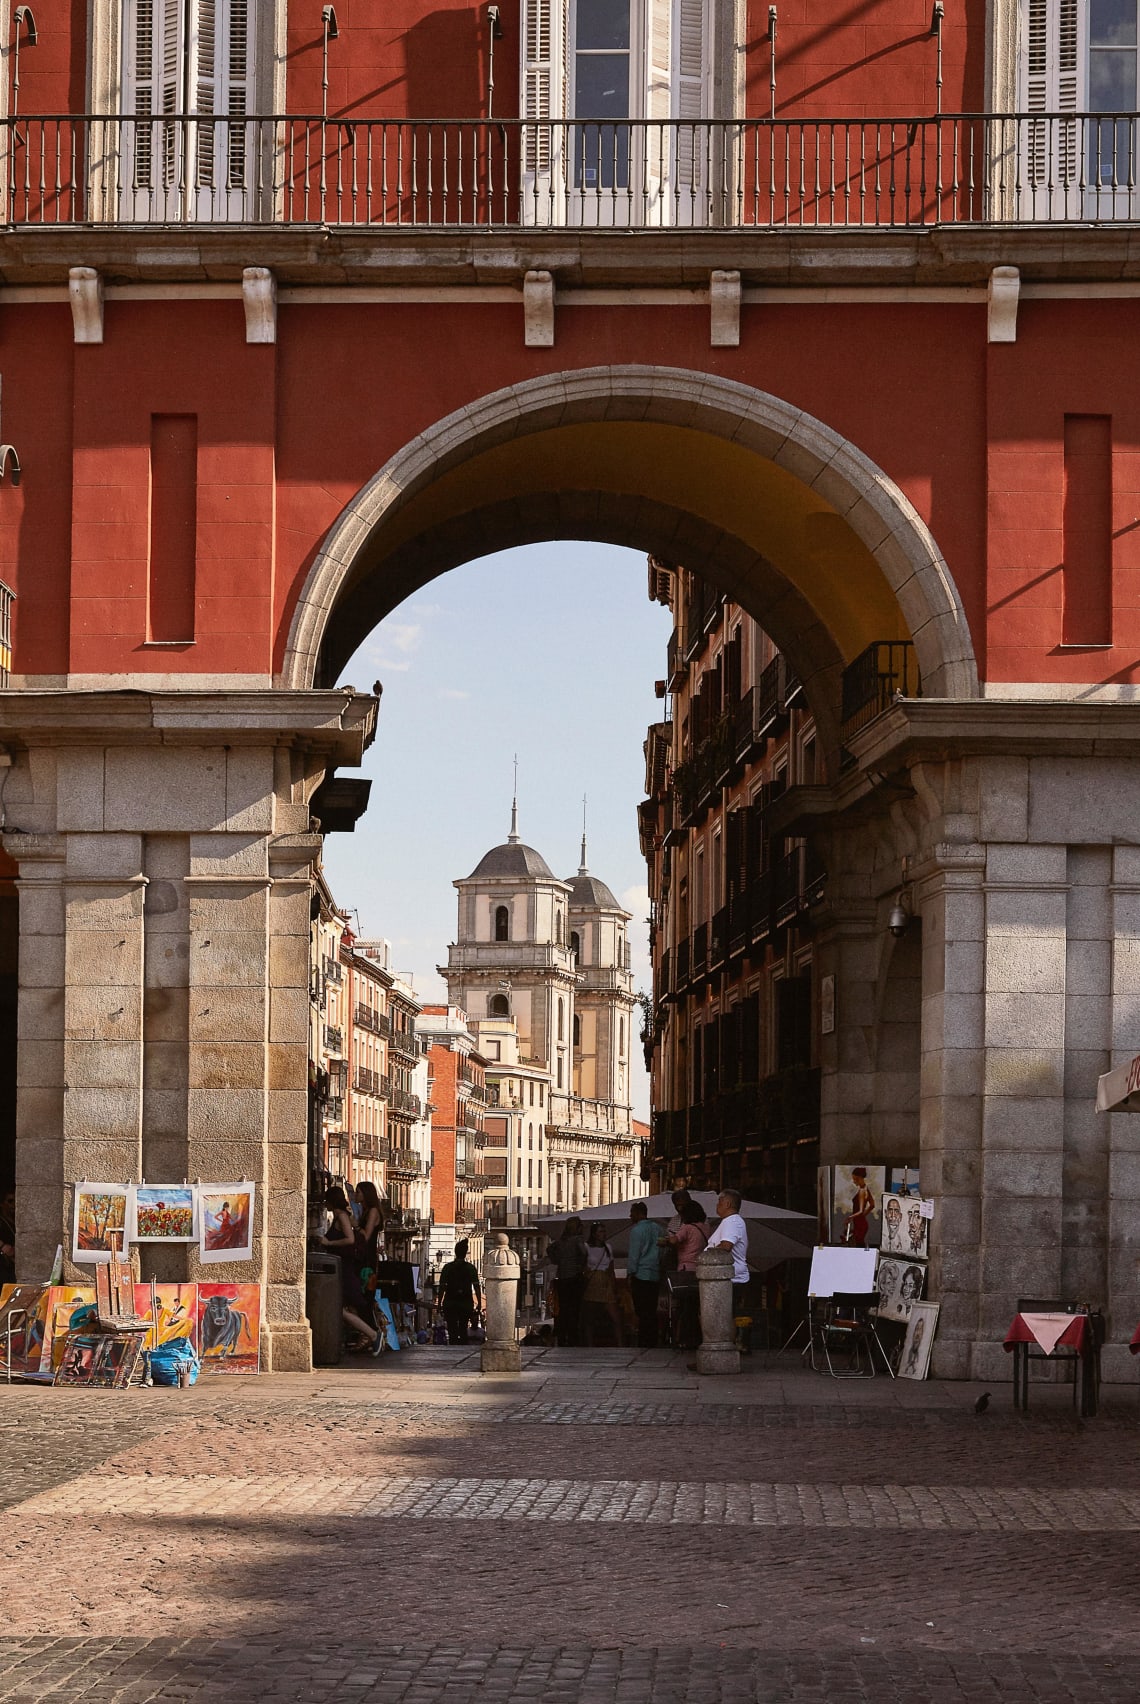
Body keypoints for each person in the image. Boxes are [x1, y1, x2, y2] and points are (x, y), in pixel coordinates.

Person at [314, 1186, 386, 1355]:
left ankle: (372, 1334)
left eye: (359, 1192)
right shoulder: (346, 1215)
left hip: (352, 1266)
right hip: (344, 1267)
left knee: (350, 1305)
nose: (325, 1204)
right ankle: (368, 1335)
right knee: (346, 1306)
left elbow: (352, 1239)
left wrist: (328, 1243)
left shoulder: (344, 1216)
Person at [706, 1187, 750, 1316]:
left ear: (727, 1204)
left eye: (719, 1202)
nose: (717, 1206)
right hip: (723, 1277)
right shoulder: (728, 1221)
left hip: (730, 1279)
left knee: (723, 1317)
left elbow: (726, 1246)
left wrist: (708, 1252)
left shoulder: (732, 1221)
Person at [547, 1216, 589, 1346]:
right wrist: (581, 1264)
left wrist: (558, 1260)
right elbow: (583, 1254)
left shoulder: (561, 1242)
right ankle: (573, 1337)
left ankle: (561, 1336)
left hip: (562, 1278)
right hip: (575, 1278)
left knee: (563, 1309)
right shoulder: (577, 1240)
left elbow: (549, 1249)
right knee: (575, 1309)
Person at [626, 1202, 662, 1348]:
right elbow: (663, 1249)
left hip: (640, 1274)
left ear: (639, 1213)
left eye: (632, 1212)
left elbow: (634, 1254)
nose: (630, 1216)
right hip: (655, 1273)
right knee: (651, 1310)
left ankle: (644, 1340)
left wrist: (630, 1273)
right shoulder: (658, 1229)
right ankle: (652, 1339)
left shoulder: (636, 1231)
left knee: (641, 1310)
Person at [581, 1222, 624, 1346]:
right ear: (594, 1234)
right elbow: (583, 1265)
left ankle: (620, 1344)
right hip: (593, 1282)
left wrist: (614, 1286)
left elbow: (611, 1269)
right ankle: (589, 1345)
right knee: (590, 1318)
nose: (603, 1234)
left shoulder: (608, 1248)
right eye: (600, 1231)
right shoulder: (587, 1247)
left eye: (604, 1231)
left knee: (616, 1317)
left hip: (605, 1283)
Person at [437, 1239, 482, 1344]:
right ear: (465, 1253)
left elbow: (442, 1287)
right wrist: (479, 1303)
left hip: (450, 1303)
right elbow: (476, 1287)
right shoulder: (470, 1268)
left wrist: (439, 1303)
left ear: (455, 1252)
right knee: (463, 1328)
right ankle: (462, 1347)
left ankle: (453, 1346)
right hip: (466, 1304)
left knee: (452, 1329)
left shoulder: (447, 1268)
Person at [844, 1168, 876, 1247]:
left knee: (858, 1243)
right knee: (858, 1242)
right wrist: (862, 1216)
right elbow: (872, 1205)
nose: (854, 1181)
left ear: (860, 1178)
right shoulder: (866, 1189)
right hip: (860, 1221)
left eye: (856, 1179)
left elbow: (861, 1210)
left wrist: (850, 1217)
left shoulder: (862, 1191)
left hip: (859, 1223)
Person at [0, 1190, 15, 1285]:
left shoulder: (11, 1219)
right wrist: (3, 1246)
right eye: (10, 1201)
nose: (13, 1204)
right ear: (2, 1204)